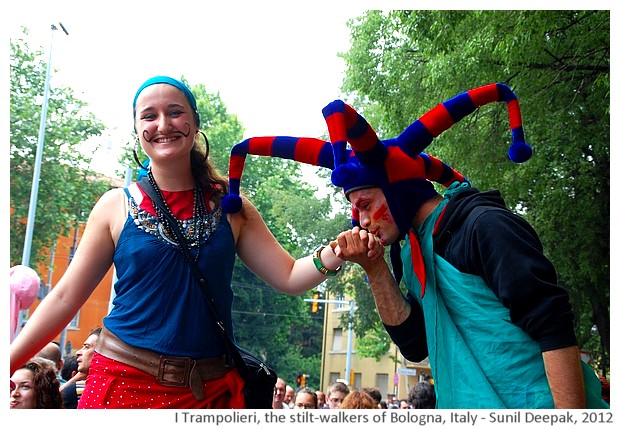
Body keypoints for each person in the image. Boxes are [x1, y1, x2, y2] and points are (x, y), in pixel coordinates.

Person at [221, 83, 608, 409]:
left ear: (400, 190)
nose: (361, 221)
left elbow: (552, 322)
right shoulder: (406, 251)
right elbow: (415, 345)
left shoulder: (483, 226)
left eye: (367, 204)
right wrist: (375, 269)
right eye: (354, 210)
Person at [9, 76, 344, 409]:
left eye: (174, 112)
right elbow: (65, 297)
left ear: (195, 124)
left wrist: (338, 251)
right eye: (149, 116)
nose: (163, 124)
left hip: (209, 395)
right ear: (137, 129)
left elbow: (288, 276)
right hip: (121, 386)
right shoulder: (114, 206)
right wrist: (8, 361)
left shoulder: (233, 207)